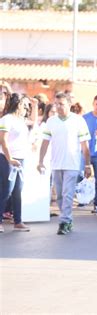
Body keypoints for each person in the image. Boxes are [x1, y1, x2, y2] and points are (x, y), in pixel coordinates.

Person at [38, 93, 92, 235]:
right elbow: (45, 142)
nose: (58, 107)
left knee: (68, 194)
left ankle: (64, 222)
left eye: (61, 104)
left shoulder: (78, 120)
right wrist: (40, 161)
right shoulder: (51, 121)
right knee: (60, 196)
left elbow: (85, 145)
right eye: (56, 104)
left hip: (72, 164)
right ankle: (67, 219)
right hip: (56, 164)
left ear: (69, 104)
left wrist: (87, 164)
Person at [0, 94, 38, 233]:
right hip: (7, 159)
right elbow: (3, 140)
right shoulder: (6, 119)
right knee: (6, 191)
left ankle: (18, 221)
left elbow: (33, 122)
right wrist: (10, 158)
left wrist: (35, 105)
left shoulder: (21, 120)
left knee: (18, 191)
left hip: (21, 159)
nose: (26, 107)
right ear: (18, 104)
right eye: (25, 104)